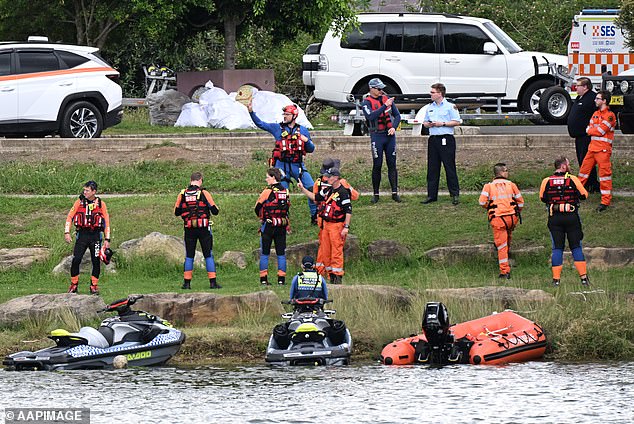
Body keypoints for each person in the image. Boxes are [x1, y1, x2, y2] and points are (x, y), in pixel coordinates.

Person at [248, 102, 317, 223]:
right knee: (281, 194)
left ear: (294, 116)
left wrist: (306, 141)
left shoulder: (303, 130)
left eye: (287, 114)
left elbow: (311, 149)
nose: (284, 116)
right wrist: (251, 111)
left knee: (311, 188)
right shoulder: (277, 128)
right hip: (281, 166)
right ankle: (283, 220)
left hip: (297, 165)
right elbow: (261, 124)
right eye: (284, 114)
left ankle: (315, 217)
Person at [539, 156, 590, 287]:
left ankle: (556, 280)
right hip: (571, 217)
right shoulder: (572, 179)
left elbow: (542, 197)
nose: (570, 166)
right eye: (568, 164)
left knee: (557, 248)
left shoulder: (546, 181)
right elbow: (584, 195)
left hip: (554, 218)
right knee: (576, 246)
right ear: (563, 166)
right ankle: (584, 279)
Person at [298, 166, 352, 285]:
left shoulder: (343, 192)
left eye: (330, 177)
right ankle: (330, 276)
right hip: (326, 225)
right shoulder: (328, 190)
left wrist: (346, 227)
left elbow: (348, 211)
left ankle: (337, 277)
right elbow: (315, 197)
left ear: (336, 178)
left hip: (337, 226)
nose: (327, 179)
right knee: (326, 252)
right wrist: (302, 189)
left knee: (336, 252)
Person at [174, 172, 220, 290]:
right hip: (204, 228)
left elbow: (176, 212)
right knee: (208, 255)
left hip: (189, 229)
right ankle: (213, 283)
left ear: (191, 180)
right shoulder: (204, 193)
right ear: (200, 180)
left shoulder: (182, 194)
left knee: (189, 255)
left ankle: (187, 283)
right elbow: (215, 210)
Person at [313, 158, 359, 276]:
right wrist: (347, 187)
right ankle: (331, 274)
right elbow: (355, 196)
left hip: (322, 218)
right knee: (333, 249)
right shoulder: (341, 183)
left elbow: (315, 199)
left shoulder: (318, 182)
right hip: (330, 220)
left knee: (324, 248)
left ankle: (322, 273)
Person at [478, 163, 524, 279]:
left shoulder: (488, 186)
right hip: (512, 218)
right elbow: (521, 203)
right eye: (506, 170)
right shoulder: (511, 185)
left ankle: (505, 271)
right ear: (502, 173)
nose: (508, 172)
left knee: (501, 245)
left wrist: (490, 206)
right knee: (508, 237)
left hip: (498, 219)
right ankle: (507, 259)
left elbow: (482, 202)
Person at [64, 180, 110, 295]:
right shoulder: (78, 202)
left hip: (95, 236)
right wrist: (67, 232)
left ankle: (93, 286)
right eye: (84, 190)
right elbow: (70, 217)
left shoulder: (101, 204)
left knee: (96, 261)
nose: (84, 192)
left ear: (94, 191)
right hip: (82, 236)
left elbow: (106, 222)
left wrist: (107, 239)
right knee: (76, 260)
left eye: (87, 190)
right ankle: (74, 285)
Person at [361, 77, 402, 203]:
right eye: (378, 89)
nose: (381, 91)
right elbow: (370, 115)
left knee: (392, 164)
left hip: (389, 136)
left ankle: (395, 193)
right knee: (377, 164)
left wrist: (394, 128)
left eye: (382, 88)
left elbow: (397, 116)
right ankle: (376, 194)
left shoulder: (386, 99)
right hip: (377, 136)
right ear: (371, 88)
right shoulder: (366, 102)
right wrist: (385, 105)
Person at [421, 83, 461, 205]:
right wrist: (427, 124)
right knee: (432, 168)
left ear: (440, 93)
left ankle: (454, 194)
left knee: (449, 167)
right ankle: (432, 195)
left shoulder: (450, 106)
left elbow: (456, 121)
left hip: (446, 139)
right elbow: (425, 121)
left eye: (433, 92)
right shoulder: (429, 107)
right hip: (433, 139)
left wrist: (442, 124)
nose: (430, 94)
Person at [578, 90, 617, 212]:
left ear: (604, 101)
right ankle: (576, 195)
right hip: (592, 149)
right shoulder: (595, 113)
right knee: (583, 173)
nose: (595, 100)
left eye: (597, 99)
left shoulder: (610, 115)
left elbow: (598, 131)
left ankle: (605, 202)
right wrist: (592, 129)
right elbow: (589, 128)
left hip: (603, 151)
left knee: (604, 176)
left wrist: (591, 130)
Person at [255, 168, 290, 286]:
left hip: (269, 225)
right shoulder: (285, 191)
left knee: (265, 253)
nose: (266, 179)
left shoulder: (267, 191)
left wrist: (262, 218)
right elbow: (287, 208)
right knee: (281, 253)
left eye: (268, 177)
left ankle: (263, 279)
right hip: (281, 225)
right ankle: (281, 280)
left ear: (273, 177)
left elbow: (257, 207)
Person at [567, 77, 599, 193]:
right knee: (582, 160)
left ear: (585, 87)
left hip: (586, 136)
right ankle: (587, 183)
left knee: (587, 161)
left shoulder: (591, 98)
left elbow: (598, 113)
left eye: (578, 85)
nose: (576, 87)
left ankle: (591, 184)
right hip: (578, 136)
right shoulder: (579, 97)